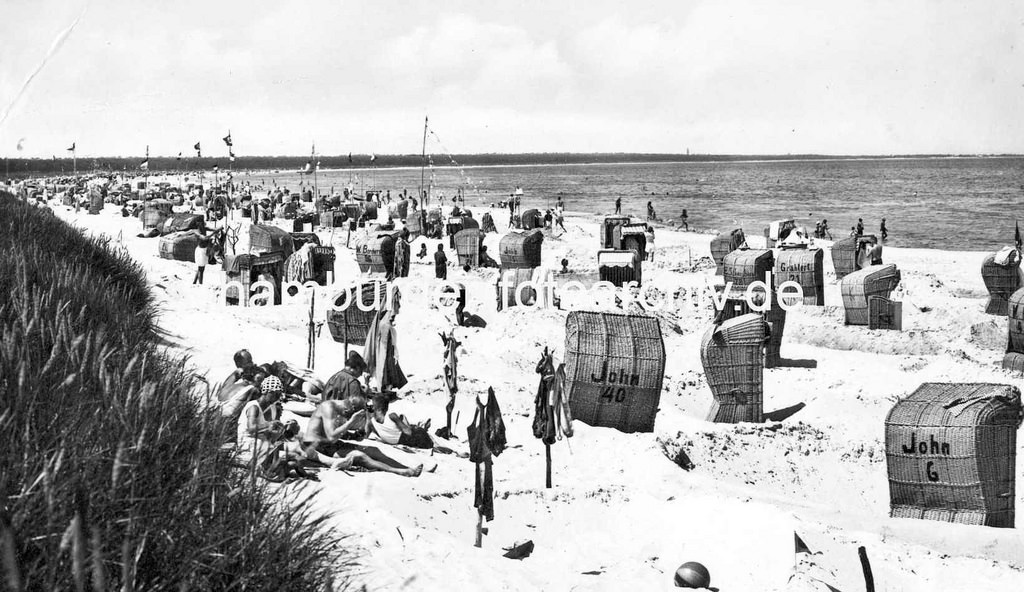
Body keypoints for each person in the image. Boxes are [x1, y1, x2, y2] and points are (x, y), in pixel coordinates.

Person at [303, 397, 423, 477]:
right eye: (348, 415)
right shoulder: (328, 407)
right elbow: (331, 436)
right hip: (318, 447)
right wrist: (350, 422)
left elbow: (337, 433)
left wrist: (354, 436)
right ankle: (399, 471)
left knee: (373, 450)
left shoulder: (340, 410)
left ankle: (406, 467)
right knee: (360, 456)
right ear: (348, 408)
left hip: (332, 445)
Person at [237, 376, 285, 463]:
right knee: (271, 451)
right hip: (248, 443)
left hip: (262, 442)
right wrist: (269, 425)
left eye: (279, 394)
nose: (277, 397)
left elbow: (272, 431)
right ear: (265, 391)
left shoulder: (273, 407)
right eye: (274, 393)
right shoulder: (253, 407)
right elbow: (251, 428)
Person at [368, 394, 433, 449]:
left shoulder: (371, 422)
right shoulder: (391, 415)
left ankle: (420, 426)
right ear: (386, 407)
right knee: (419, 431)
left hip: (392, 441)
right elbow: (408, 432)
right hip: (404, 439)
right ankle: (422, 427)